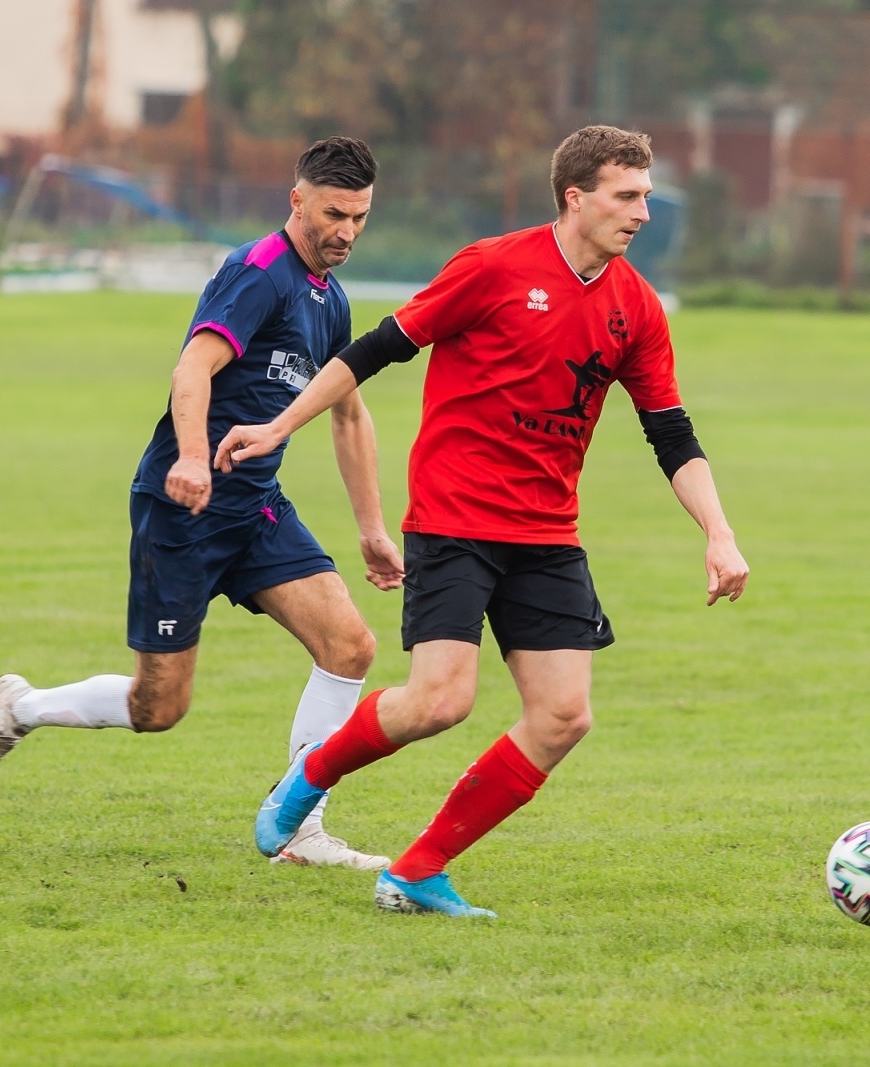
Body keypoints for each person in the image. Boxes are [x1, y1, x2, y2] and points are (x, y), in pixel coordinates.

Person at [221, 125, 750, 916]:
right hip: (456, 517)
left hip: (546, 533)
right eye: (626, 195)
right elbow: (374, 349)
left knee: (565, 716)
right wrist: (276, 427)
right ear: (575, 197)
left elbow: (670, 431)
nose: (642, 212)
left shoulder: (635, 305)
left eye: (644, 196)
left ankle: (417, 870)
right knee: (439, 702)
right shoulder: (495, 265)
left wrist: (719, 530)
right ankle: (313, 772)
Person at [0, 137, 404, 871]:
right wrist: (194, 458)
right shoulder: (260, 273)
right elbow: (194, 363)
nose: (347, 232)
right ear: (296, 200)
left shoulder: (332, 299)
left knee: (349, 644)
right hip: (183, 506)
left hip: (256, 508)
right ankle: (21, 707)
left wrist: (372, 529)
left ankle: (299, 829)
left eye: (359, 217)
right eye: (334, 213)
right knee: (157, 707)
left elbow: (349, 414)